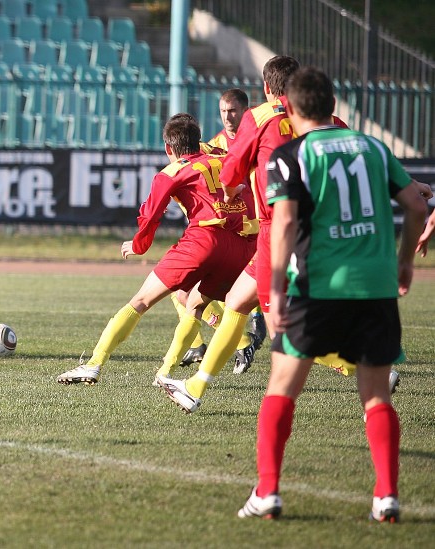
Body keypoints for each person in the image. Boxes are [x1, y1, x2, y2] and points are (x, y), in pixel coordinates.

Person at [236, 67, 427, 522]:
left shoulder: (291, 154)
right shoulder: (374, 148)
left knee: (281, 389)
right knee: (377, 396)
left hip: (315, 289)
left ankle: (268, 492)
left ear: (289, 108)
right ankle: (386, 497)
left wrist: (277, 287)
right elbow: (418, 205)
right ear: (334, 106)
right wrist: (403, 261)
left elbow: (282, 223)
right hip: (375, 289)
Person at [57, 115, 256, 386]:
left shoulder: (170, 172)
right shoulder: (222, 156)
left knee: (141, 301)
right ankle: (165, 373)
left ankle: (93, 364)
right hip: (240, 246)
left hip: (204, 239)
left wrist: (139, 245)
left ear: (168, 148)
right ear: (198, 141)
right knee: (195, 306)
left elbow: (151, 216)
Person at [166, 88, 266, 375]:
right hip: (229, 228)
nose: (227, 116)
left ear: (245, 111)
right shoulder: (213, 146)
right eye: (223, 111)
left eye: (233, 110)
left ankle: (245, 333)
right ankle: (203, 344)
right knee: (184, 292)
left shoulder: (258, 136)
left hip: (249, 227)